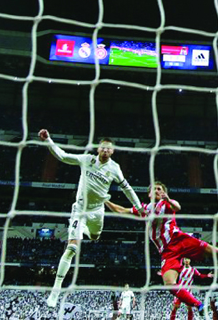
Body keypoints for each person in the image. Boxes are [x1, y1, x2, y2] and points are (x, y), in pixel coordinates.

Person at [106, 182, 218, 317]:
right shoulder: (145, 210)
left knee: (215, 252)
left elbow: (177, 206)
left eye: (160, 189)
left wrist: (167, 198)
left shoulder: (165, 204)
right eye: (154, 189)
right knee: (169, 283)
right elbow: (121, 210)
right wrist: (105, 200)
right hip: (167, 252)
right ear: (148, 194)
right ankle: (199, 305)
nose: (157, 191)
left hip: (180, 240)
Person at [37, 129, 145, 308]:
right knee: (72, 248)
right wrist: (48, 139)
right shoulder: (86, 160)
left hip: (97, 211)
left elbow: (128, 189)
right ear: (98, 149)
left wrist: (140, 207)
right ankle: (55, 292)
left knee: (95, 237)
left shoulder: (115, 168)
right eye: (102, 147)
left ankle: (84, 230)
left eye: (108, 148)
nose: (105, 150)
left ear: (112, 151)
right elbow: (62, 156)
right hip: (80, 209)